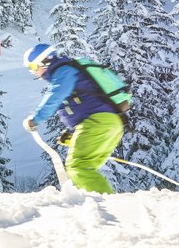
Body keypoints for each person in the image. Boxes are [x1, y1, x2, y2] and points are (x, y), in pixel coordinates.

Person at [21, 43, 124, 194]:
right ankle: (100, 205)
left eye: (34, 67)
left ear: (45, 61)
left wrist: (34, 119)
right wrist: (74, 134)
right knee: (85, 168)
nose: (33, 72)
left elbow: (55, 97)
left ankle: (110, 207)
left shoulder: (64, 71)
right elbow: (83, 105)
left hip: (98, 122)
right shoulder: (67, 71)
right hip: (111, 123)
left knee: (78, 166)